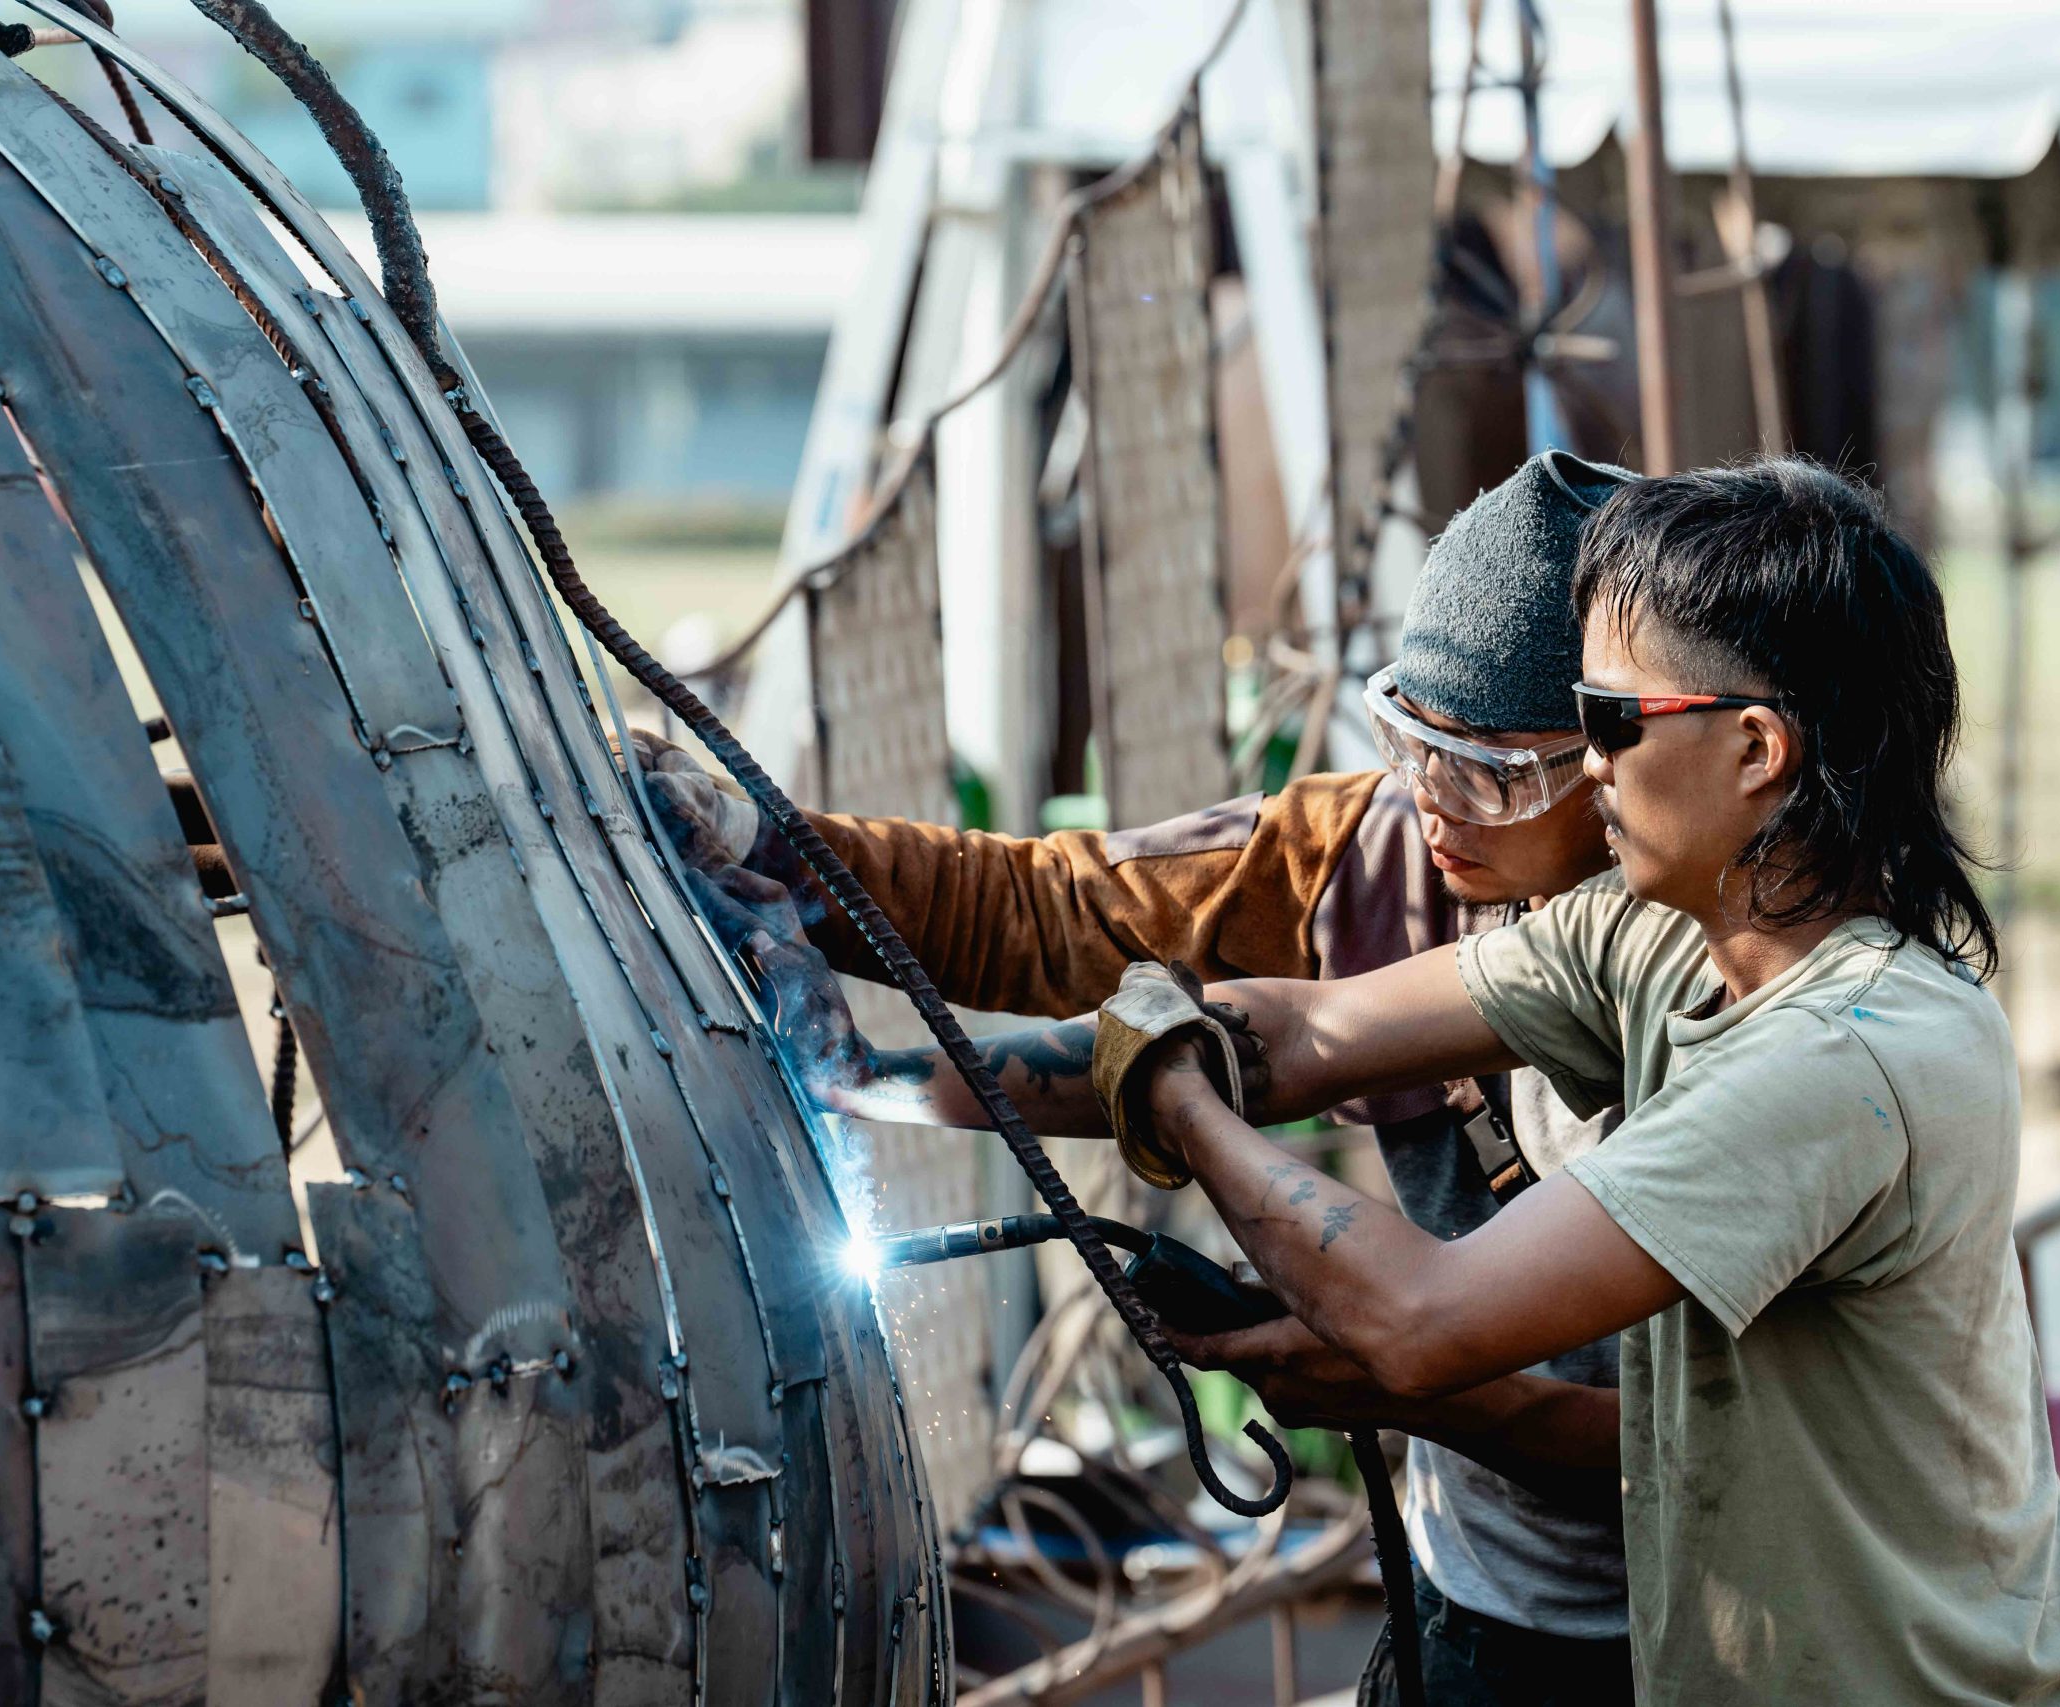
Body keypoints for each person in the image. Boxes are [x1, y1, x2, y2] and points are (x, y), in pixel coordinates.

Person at [813, 460, 2060, 1703]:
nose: (1447, 796)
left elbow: (1415, 1319)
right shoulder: (1645, 929)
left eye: (1607, 722)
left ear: (1756, 753)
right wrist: (879, 1073)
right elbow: (1304, 1030)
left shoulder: (1835, 1057)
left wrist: (1166, 1088)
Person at [645, 451, 1644, 1705]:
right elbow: (1070, 915)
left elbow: (1693, 1459)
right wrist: (769, 863)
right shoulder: (1382, 859)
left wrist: (1411, 1384)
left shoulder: (1755, 1000)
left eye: (1495, 773)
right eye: (1413, 744)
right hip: (1470, 1600)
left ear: (1623, 758)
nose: (1437, 806)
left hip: (1701, 1627)